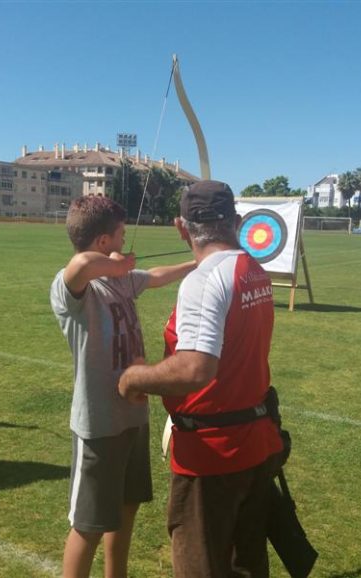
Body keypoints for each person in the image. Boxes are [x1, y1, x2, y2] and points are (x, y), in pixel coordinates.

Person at [118, 180, 287, 578]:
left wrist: (134, 379)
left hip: (213, 458)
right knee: (245, 565)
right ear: (239, 222)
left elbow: (196, 368)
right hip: (255, 445)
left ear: (181, 227)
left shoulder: (206, 279)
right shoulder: (253, 269)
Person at [50, 195, 194, 578]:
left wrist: (198, 262)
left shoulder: (123, 281)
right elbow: (80, 264)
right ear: (103, 243)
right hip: (98, 425)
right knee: (88, 524)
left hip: (133, 417)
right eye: (121, 235)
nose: (126, 242)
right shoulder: (75, 291)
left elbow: (158, 275)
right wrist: (117, 267)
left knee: (125, 510)